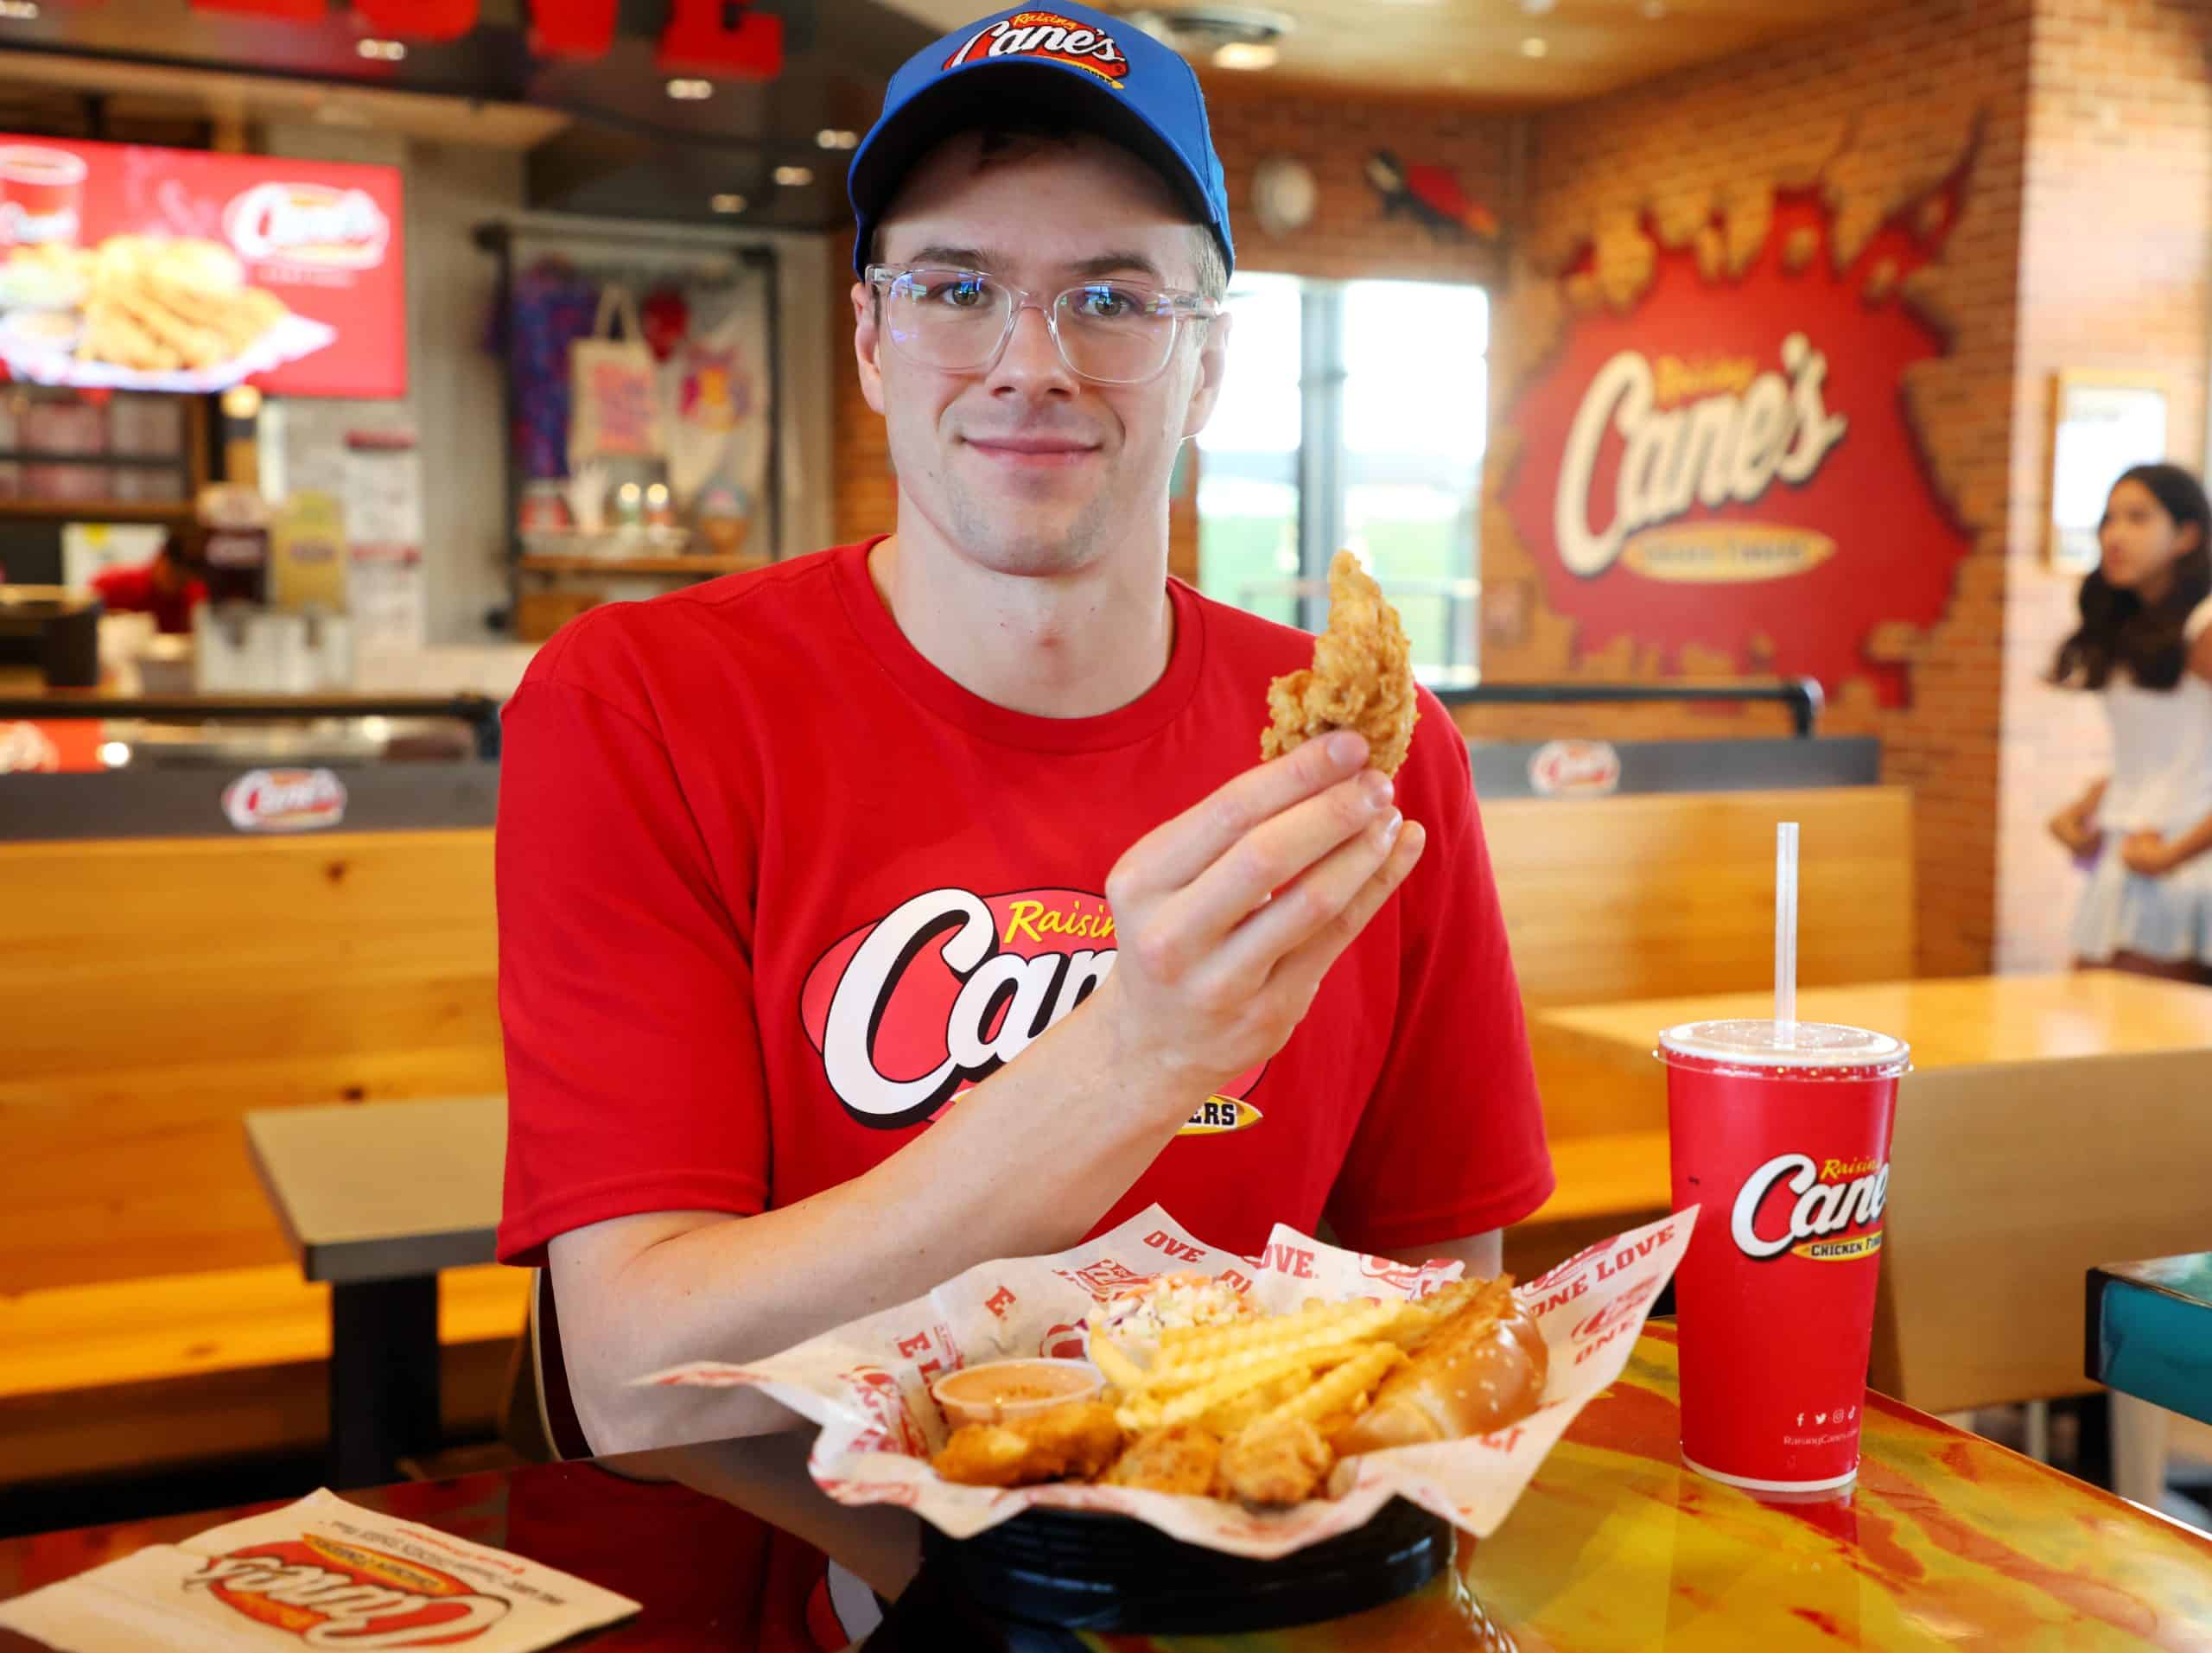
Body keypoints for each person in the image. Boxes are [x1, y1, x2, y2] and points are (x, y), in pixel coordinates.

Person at [494, 0, 1554, 1480]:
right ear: (871, 337)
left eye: (1115, 299)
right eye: (954, 286)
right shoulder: (644, 704)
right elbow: (643, 1382)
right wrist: (1137, 1053)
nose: (1032, 359)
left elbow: (1442, 1324)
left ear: (1210, 368)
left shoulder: (1371, 765)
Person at [2048, 461, 2212, 985]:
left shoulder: (2204, 625)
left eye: (2138, 518)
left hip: (2188, 857)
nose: (2114, 535)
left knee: (2142, 1048)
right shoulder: (2126, 623)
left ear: (2187, 535)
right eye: (2108, 519)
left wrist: (2176, 853)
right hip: (2134, 854)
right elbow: (2164, 749)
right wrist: (2089, 808)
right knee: (2100, 1037)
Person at [88, 530, 205, 635]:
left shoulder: (196, 597)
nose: (175, 584)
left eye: (183, 580)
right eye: (173, 574)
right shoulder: (112, 585)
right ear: (159, 559)